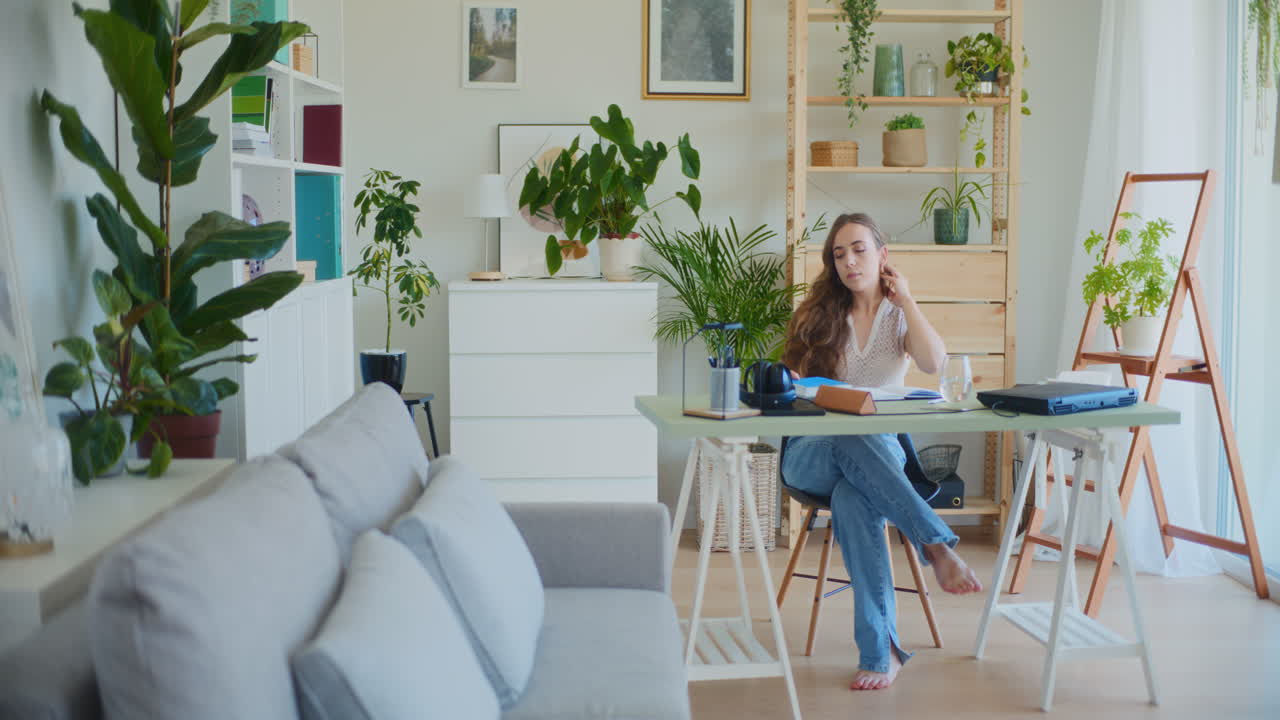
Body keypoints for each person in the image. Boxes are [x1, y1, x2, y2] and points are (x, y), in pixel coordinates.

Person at [780, 212, 983, 691]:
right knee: (853, 433)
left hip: (874, 462)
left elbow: (935, 363)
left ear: (883, 256)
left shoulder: (898, 316)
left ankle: (881, 652)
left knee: (855, 495)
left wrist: (907, 299)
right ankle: (934, 543)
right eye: (839, 253)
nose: (849, 261)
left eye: (859, 249)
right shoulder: (817, 316)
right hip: (812, 453)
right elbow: (790, 389)